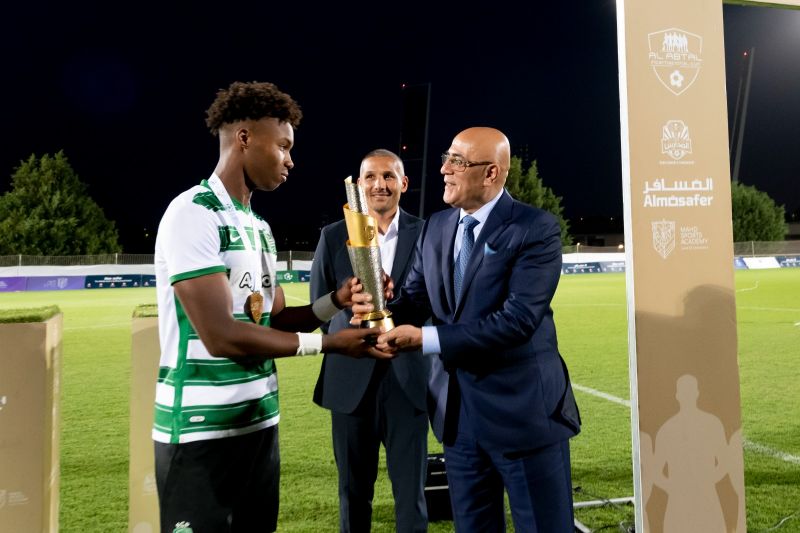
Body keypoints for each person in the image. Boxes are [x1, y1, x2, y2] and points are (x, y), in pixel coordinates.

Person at [153, 81, 389, 533]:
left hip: (259, 424)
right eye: (282, 146)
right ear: (244, 138)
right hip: (201, 431)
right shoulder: (193, 213)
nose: (290, 159)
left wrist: (336, 299)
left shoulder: (258, 227)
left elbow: (275, 318)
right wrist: (330, 344)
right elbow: (220, 335)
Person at [375, 127, 582, 532]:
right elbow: (414, 300)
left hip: (523, 417)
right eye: (446, 158)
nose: (443, 169)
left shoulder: (535, 227)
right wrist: (380, 307)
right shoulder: (436, 227)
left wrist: (428, 340)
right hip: (458, 420)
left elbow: (518, 320)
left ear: (491, 174)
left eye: (457, 161)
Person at [311, 149, 428, 532]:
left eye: (389, 176)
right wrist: (352, 331)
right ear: (359, 185)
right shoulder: (332, 237)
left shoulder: (427, 233)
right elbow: (319, 309)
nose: (379, 184)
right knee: (353, 493)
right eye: (370, 177)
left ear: (403, 184)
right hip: (350, 379)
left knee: (410, 495)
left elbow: (435, 304)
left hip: (407, 380)